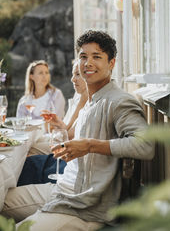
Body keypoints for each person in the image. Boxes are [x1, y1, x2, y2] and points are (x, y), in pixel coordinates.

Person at [1, 30, 154, 231]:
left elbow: (146, 146)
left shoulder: (119, 101)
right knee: (2, 196)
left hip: (84, 206)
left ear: (112, 63)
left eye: (96, 57)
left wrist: (91, 145)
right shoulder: (90, 100)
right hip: (62, 189)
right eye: (83, 56)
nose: (88, 63)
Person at [17, 61, 88, 186]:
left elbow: (67, 133)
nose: (45, 76)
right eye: (41, 73)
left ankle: (21, 178)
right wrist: (59, 124)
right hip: (51, 136)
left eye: (46, 72)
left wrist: (57, 125)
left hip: (57, 139)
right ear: (31, 76)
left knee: (26, 150)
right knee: (24, 149)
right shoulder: (25, 100)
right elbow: (20, 121)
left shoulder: (57, 94)